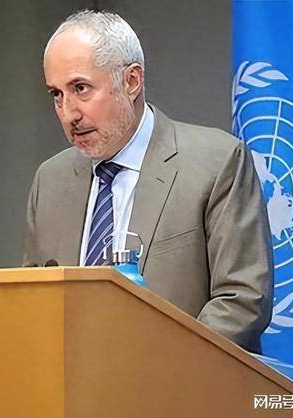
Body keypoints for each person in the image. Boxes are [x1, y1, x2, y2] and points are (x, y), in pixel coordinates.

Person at [23, 10, 273, 353]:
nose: (69, 113)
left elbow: (242, 299)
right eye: (57, 94)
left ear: (131, 81)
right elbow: (33, 304)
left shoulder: (216, 163)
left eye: (81, 89)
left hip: (182, 381)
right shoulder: (50, 181)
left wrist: (152, 372)